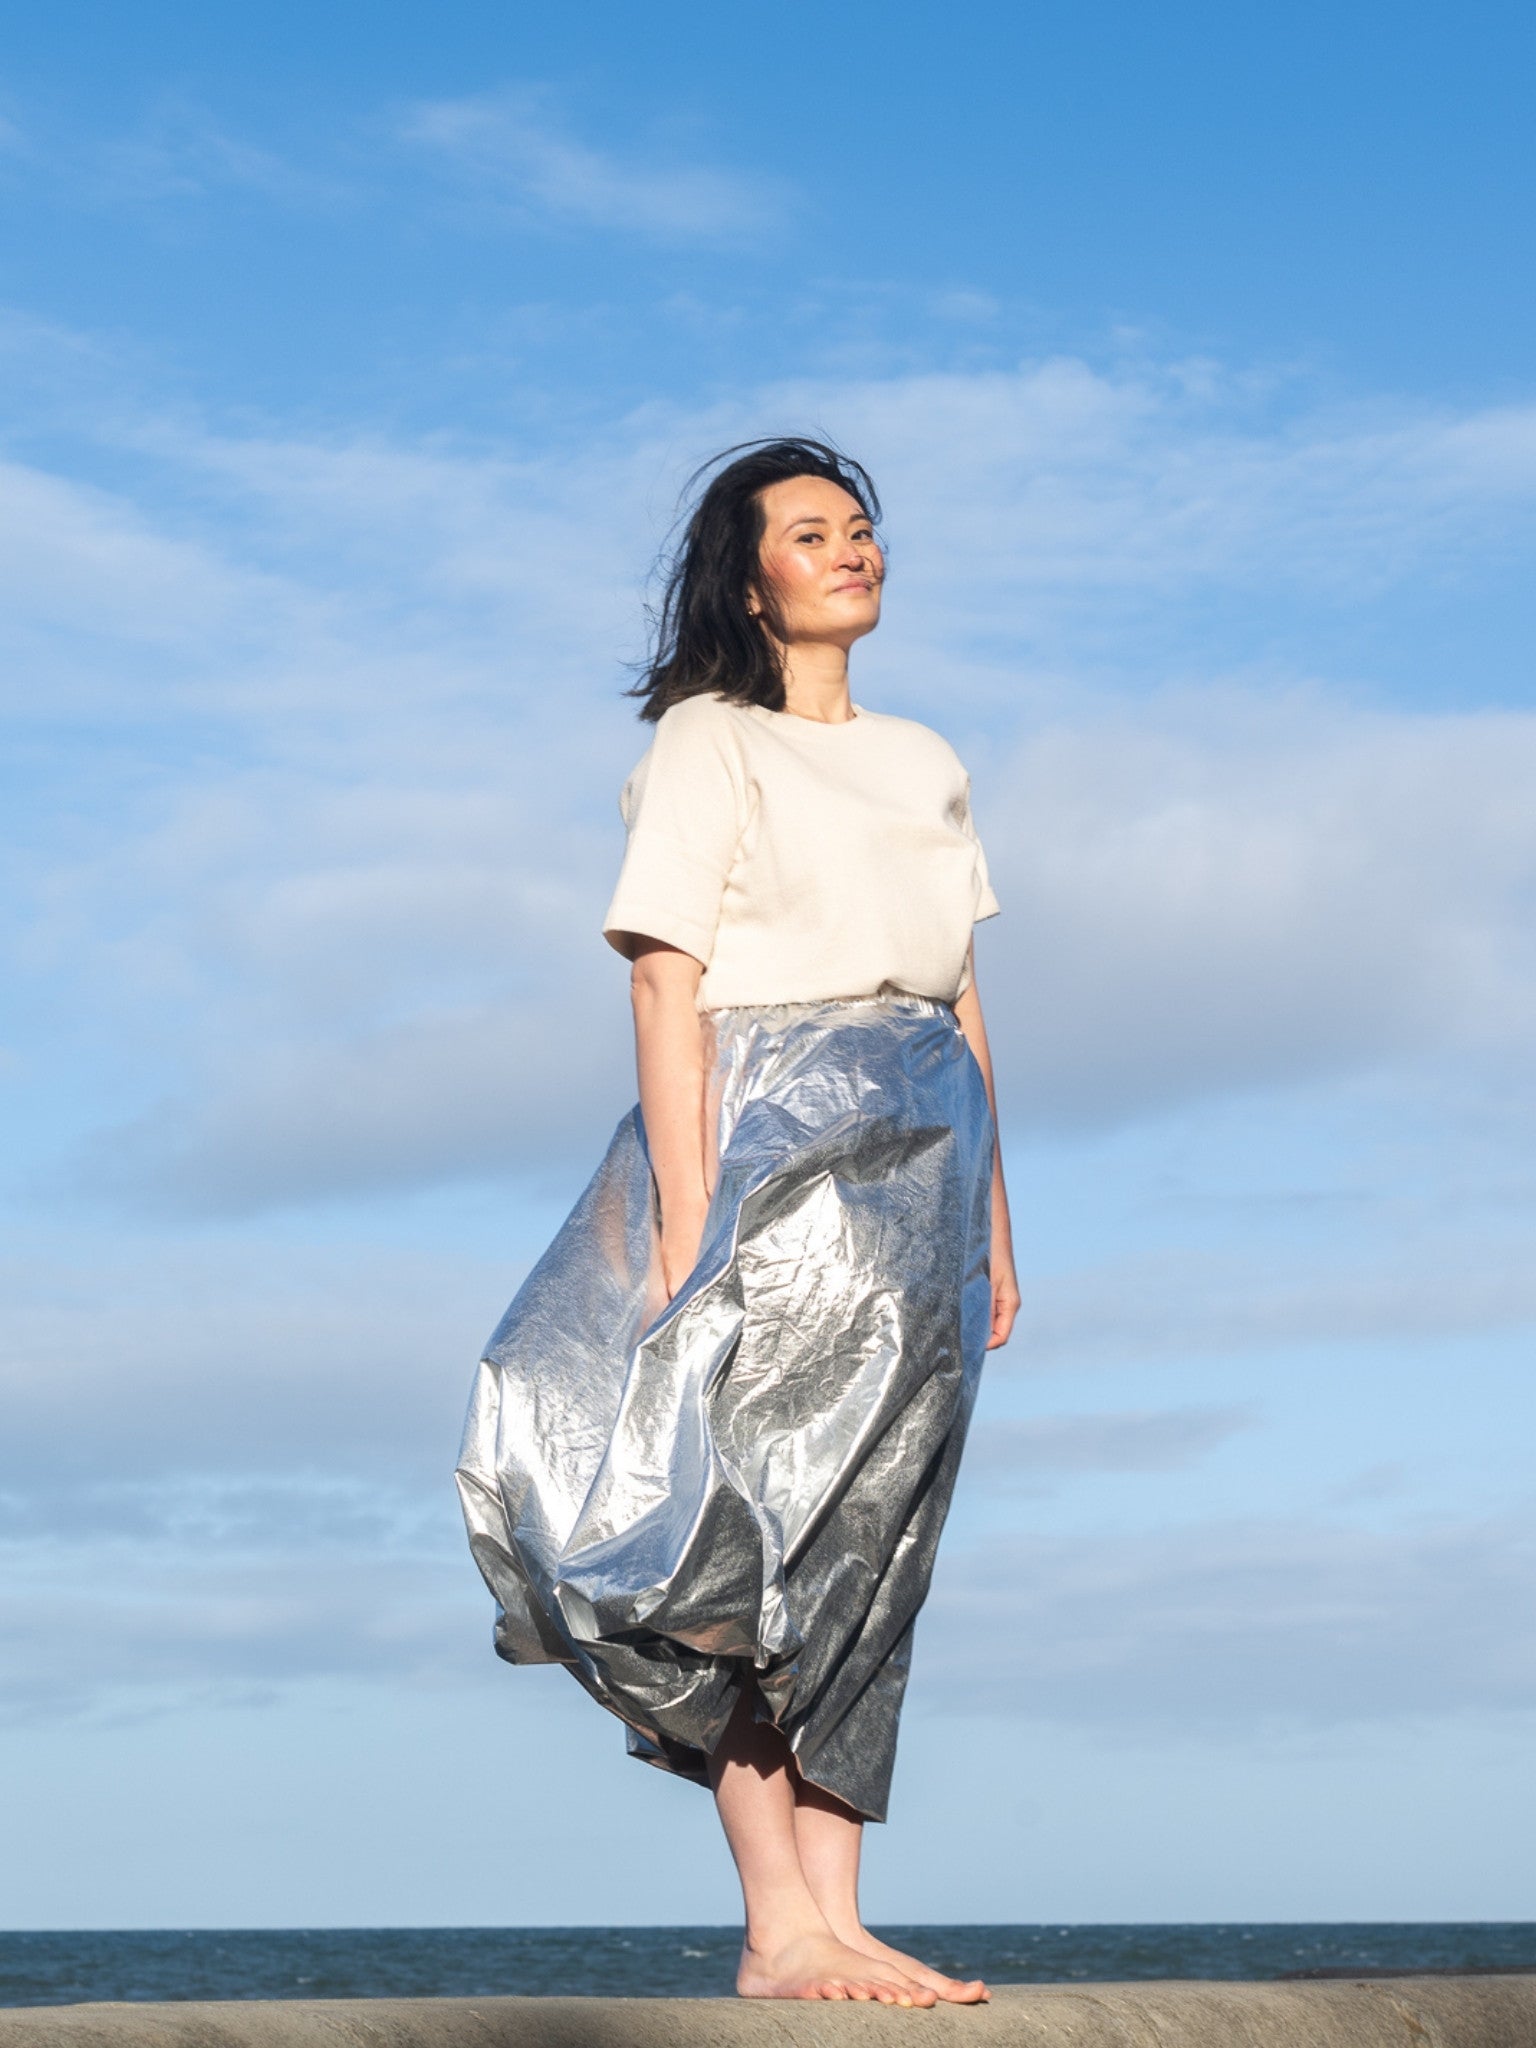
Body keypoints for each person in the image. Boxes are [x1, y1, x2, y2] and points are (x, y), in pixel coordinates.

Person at [457, 438, 1019, 2006]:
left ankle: (838, 1919)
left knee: (877, 1532)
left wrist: (996, 1219)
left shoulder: (924, 757)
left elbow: (966, 997)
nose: (853, 549)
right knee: (750, 1528)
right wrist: (690, 1219)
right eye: (812, 533)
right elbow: (664, 981)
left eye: (863, 528)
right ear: (751, 579)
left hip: (925, 1160)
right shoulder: (710, 739)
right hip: (771, 1132)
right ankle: (779, 1926)